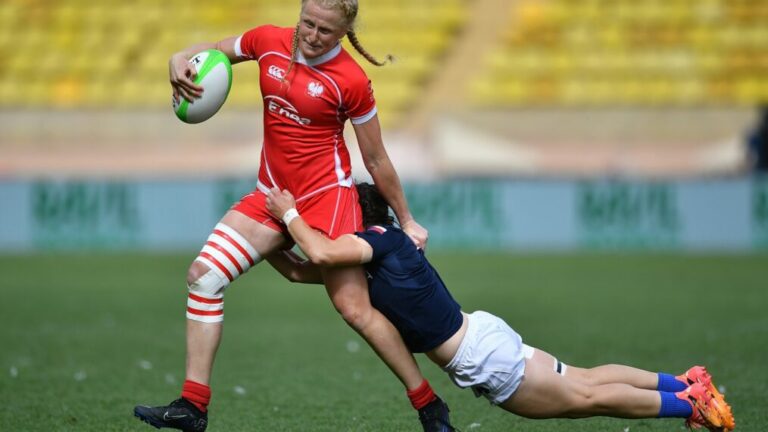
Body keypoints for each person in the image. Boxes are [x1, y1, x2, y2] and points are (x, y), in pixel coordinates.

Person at [134, 2, 454, 431]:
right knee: (203, 277)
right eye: (308, 22)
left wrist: (408, 219)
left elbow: (375, 159)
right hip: (272, 194)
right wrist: (177, 59)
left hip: (329, 199)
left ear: (344, 33)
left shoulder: (352, 80)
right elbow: (213, 49)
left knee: (354, 310)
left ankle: (429, 405)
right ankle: (193, 406)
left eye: (326, 29)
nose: (313, 34)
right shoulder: (268, 40)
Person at [264, 183, 737, 432]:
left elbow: (322, 253)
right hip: (480, 335)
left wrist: (288, 213)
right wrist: (262, 242)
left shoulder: (377, 243)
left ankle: (689, 406)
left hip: (479, 355)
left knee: (588, 398)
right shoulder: (374, 252)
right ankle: (688, 383)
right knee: (586, 380)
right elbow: (298, 270)